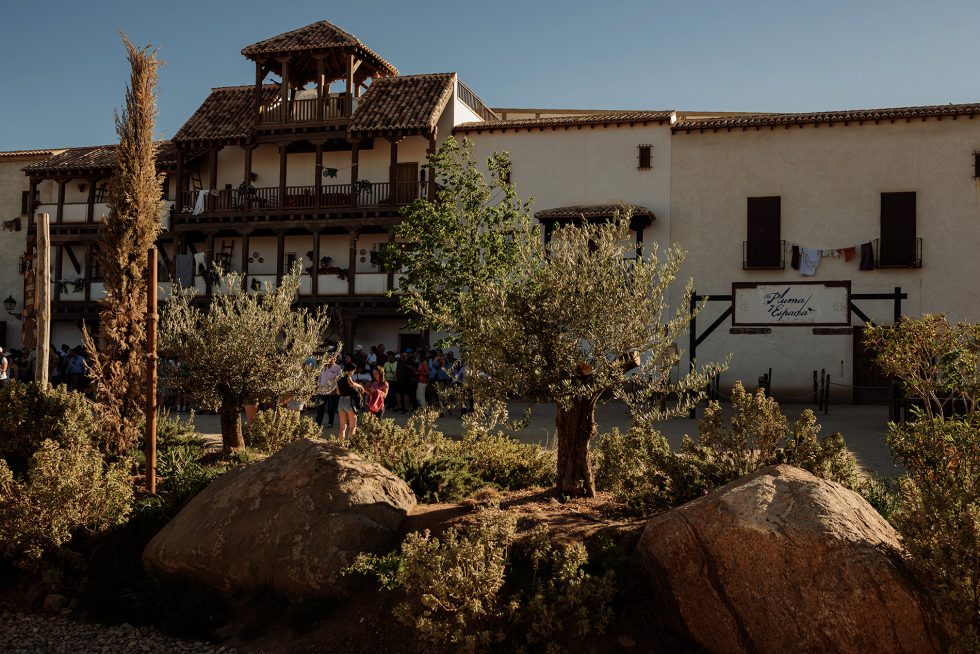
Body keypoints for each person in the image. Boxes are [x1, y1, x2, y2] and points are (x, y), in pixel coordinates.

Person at [336, 362, 366, 441]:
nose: (353, 373)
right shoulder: (347, 376)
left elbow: (338, 392)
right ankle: (351, 445)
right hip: (349, 402)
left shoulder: (339, 377)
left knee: (342, 427)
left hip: (341, 402)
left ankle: (340, 444)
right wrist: (360, 386)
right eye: (353, 371)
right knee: (353, 426)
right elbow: (352, 383)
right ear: (351, 370)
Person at [315, 355, 342, 428]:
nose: (329, 359)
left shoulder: (338, 368)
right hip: (321, 391)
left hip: (331, 391)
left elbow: (338, 380)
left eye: (330, 358)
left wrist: (335, 390)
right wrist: (317, 387)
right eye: (328, 358)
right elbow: (320, 378)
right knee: (320, 407)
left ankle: (330, 423)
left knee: (331, 408)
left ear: (335, 359)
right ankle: (318, 423)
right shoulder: (323, 367)